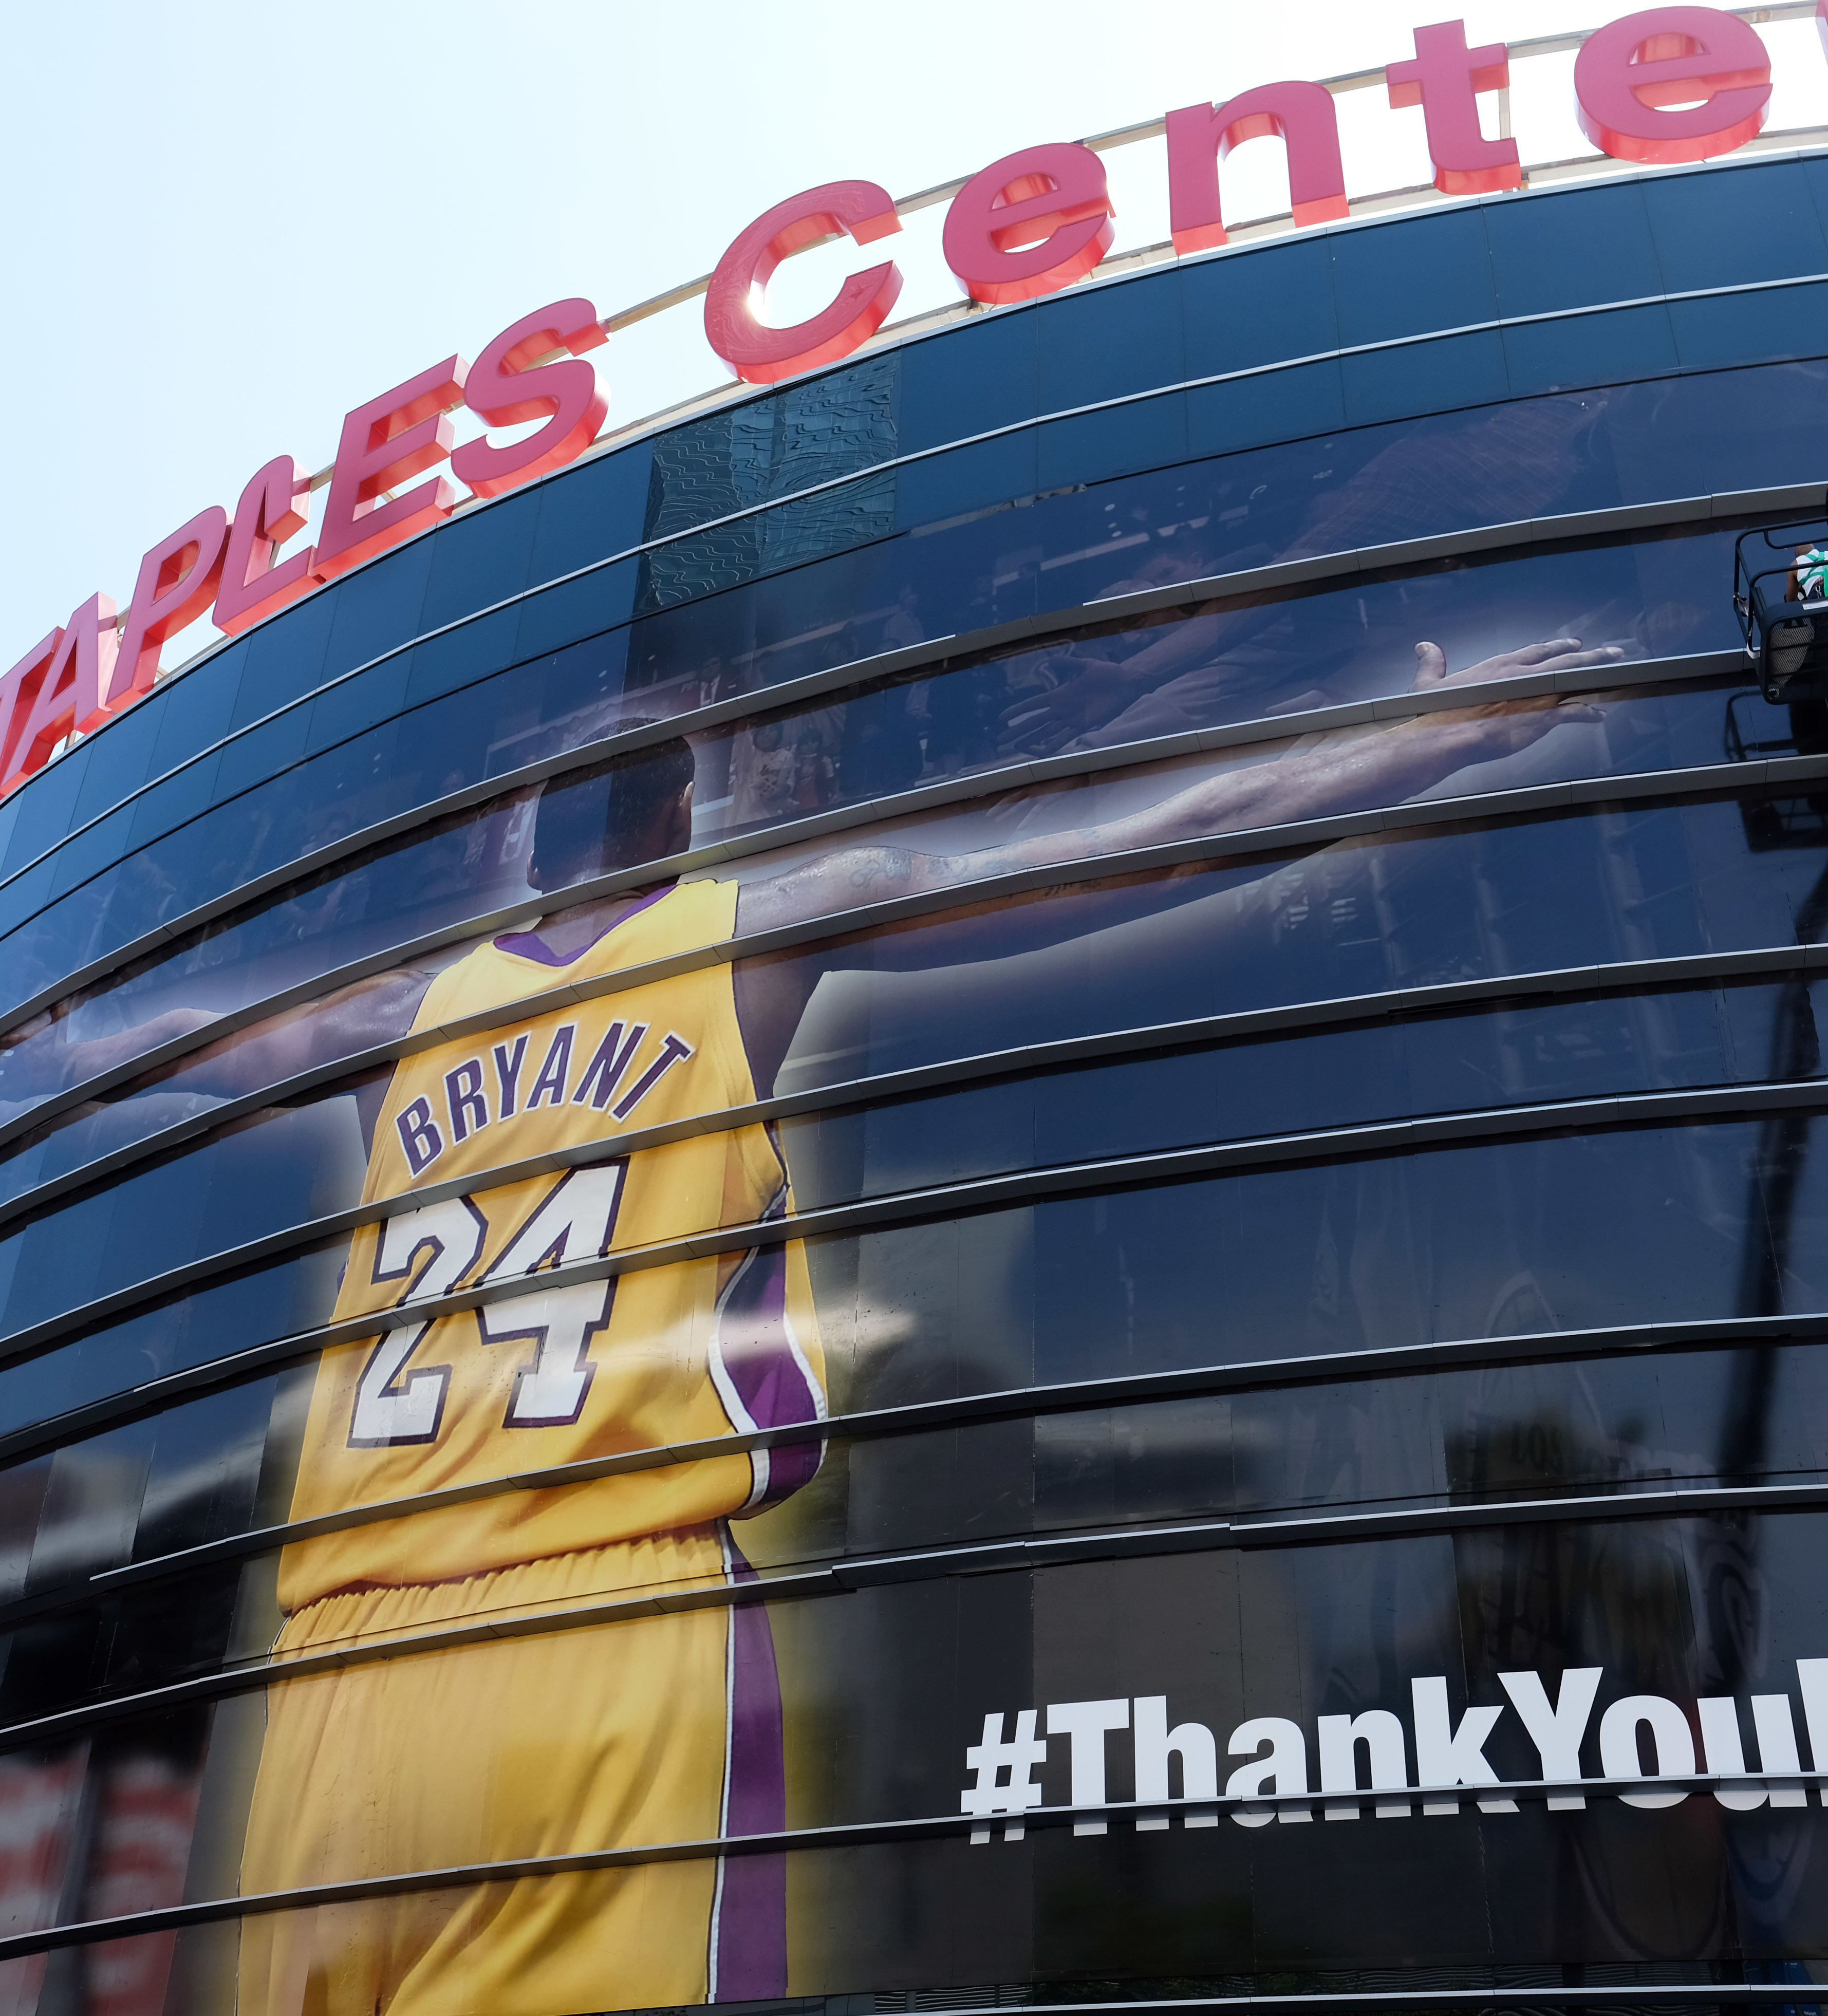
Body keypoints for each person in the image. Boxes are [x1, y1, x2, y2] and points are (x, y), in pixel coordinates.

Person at [196, 632, 1617, 2016]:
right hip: (599, 1616)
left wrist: (20, 1050)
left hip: (338, 1672)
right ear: (683, 819)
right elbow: (1174, 837)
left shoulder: (402, 1017)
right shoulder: (750, 928)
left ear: (523, 841)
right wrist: (1431, 737)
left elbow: (167, 1063)